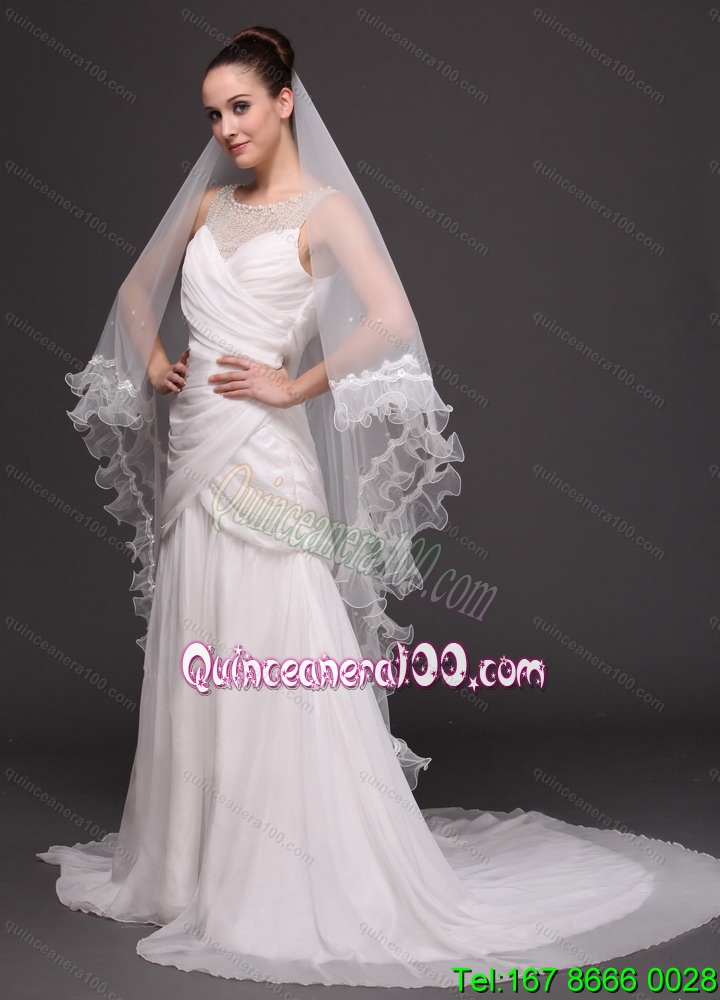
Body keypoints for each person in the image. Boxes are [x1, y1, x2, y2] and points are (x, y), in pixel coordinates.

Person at [38, 27, 720, 990]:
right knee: (203, 634)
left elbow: (393, 320)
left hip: (264, 454)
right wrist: (154, 360)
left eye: (241, 106)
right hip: (196, 451)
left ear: (284, 101)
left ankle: (282, 868)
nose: (227, 128)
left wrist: (295, 385)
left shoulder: (324, 210)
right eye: (213, 114)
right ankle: (190, 863)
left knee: (275, 637)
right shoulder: (205, 207)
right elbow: (134, 293)